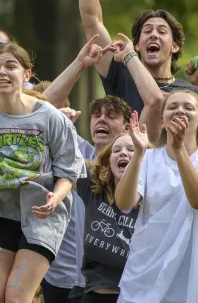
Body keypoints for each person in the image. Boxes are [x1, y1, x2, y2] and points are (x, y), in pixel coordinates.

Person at [0, 42, 86, 302]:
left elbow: (68, 174)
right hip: (1, 212)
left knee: (16, 296)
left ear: (27, 74)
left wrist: (56, 197)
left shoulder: (51, 118)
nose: (2, 72)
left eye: (10, 66)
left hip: (42, 214)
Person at [42, 35, 162, 303]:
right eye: (97, 115)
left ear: (129, 128)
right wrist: (79, 64)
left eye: (111, 115)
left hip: (132, 286)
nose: (102, 119)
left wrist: (130, 57)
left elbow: (154, 102)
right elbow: (39, 112)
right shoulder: (80, 155)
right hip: (71, 281)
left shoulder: (145, 158)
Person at [77, 0, 198, 115]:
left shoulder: (190, 93)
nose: (153, 34)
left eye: (162, 31)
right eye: (147, 31)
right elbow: (92, 21)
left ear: (175, 46)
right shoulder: (120, 75)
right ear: (137, 46)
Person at [116, 91, 198, 303]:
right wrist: (138, 155)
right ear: (162, 121)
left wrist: (179, 149)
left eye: (188, 107)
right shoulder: (149, 158)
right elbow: (124, 203)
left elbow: (196, 200)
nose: (180, 110)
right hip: (146, 271)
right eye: (172, 107)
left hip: (189, 270)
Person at [73, 131, 141, 303]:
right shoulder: (93, 188)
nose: (123, 152)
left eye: (131, 149)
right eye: (116, 150)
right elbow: (64, 158)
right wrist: (60, 121)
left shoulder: (154, 200)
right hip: (94, 295)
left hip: (136, 296)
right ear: (108, 161)